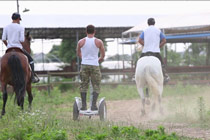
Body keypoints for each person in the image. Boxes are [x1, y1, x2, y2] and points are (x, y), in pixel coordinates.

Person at [2, 12, 39, 83]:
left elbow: (3, 39)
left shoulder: (6, 27)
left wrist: (8, 45)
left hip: (9, 48)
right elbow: (22, 40)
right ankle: (32, 77)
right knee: (31, 60)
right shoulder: (21, 27)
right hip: (18, 47)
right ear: (18, 19)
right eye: (19, 19)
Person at [77, 24, 105, 110]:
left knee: (83, 85)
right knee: (96, 85)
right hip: (94, 65)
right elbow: (103, 55)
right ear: (94, 31)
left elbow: (78, 53)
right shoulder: (98, 42)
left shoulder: (81, 42)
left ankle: (84, 105)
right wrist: (98, 59)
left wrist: (84, 59)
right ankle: (93, 105)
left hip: (84, 65)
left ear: (86, 31)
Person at [138, 17, 170, 84]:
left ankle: (135, 76)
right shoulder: (158, 31)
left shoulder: (145, 30)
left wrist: (145, 45)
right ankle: (165, 76)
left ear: (147, 23)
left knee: (138, 63)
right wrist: (158, 46)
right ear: (154, 23)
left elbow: (139, 40)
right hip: (155, 52)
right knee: (162, 65)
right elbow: (164, 40)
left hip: (145, 51)